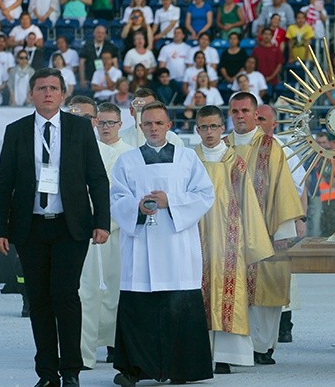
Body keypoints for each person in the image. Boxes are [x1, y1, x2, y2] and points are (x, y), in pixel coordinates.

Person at [0, 68, 111, 387]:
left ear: (63, 94)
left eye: (53, 88)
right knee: (39, 300)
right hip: (30, 228)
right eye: (41, 88)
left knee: (66, 295)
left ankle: (71, 370)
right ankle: (47, 373)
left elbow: (97, 177)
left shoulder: (80, 129)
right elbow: (3, 184)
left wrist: (102, 221)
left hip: (71, 228)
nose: (47, 93)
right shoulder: (16, 131)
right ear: (31, 94)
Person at [110, 101, 214, 386]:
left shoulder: (187, 158)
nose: (153, 128)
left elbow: (205, 194)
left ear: (169, 125)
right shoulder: (127, 161)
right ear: (140, 126)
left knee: (179, 304)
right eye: (148, 123)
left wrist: (172, 202)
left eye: (159, 123)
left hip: (176, 243)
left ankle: (183, 368)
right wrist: (137, 207)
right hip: (142, 244)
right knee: (139, 306)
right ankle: (134, 368)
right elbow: (116, 200)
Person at [194, 105, 274, 374]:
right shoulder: (189, 159)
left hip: (229, 239)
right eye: (204, 127)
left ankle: (226, 355)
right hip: (194, 237)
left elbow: (248, 204)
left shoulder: (233, 162)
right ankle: (198, 352)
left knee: (227, 293)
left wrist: (253, 241)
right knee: (197, 291)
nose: (209, 132)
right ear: (197, 129)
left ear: (222, 128)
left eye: (214, 126)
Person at [225, 92, 304, 364]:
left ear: (255, 114)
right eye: (234, 111)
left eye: (245, 111)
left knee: (266, 290)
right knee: (232, 289)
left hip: (266, 230)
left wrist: (284, 232)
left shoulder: (272, 147)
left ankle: (262, 347)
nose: (239, 116)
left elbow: (284, 190)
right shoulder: (222, 147)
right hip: (228, 235)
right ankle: (233, 347)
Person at [67, 96, 128, 370]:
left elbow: (116, 196)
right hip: (68, 232)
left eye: (86, 118)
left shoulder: (114, 155)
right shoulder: (62, 149)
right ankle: (77, 352)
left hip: (102, 233)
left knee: (105, 292)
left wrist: (100, 224)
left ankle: (111, 347)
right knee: (75, 294)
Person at [119, 88, 185, 147]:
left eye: (151, 107)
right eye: (141, 109)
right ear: (131, 111)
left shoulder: (173, 140)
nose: (147, 113)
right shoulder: (120, 138)